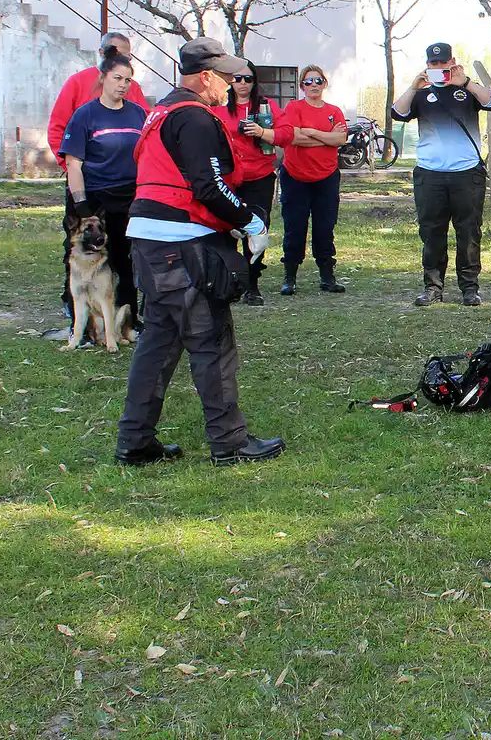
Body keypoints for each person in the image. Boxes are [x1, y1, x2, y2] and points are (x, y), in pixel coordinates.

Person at [119, 37, 282, 466]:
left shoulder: (160, 113)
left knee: (158, 342)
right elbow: (208, 186)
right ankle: (229, 442)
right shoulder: (194, 118)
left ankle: (135, 441)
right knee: (211, 339)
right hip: (181, 245)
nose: (232, 86)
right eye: (227, 78)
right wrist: (250, 220)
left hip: (149, 241)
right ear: (206, 77)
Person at [45, 31, 150, 338]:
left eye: (128, 79)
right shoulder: (84, 110)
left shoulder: (137, 112)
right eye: (118, 77)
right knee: (85, 257)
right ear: (103, 75)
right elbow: (73, 160)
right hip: (93, 196)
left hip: (128, 196)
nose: (123, 84)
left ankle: (128, 322)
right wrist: (81, 202)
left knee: (125, 258)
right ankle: (82, 325)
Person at [390, 42, 491, 306]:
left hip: (466, 174)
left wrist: (466, 82)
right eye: (434, 64)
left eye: (444, 63)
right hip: (430, 174)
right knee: (431, 232)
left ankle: (469, 288)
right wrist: (413, 87)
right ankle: (433, 287)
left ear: (453, 62)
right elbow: (397, 112)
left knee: (469, 232)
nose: (440, 68)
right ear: (427, 65)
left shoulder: (467, 90)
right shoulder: (420, 94)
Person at [247, 66, 345, 296]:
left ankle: (327, 277)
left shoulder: (334, 110)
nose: (313, 84)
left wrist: (312, 133)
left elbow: (340, 138)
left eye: (318, 80)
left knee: (325, 227)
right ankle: (289, 277)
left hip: (327, 177)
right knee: (295, 228)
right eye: (308, 81)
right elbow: (292, 137)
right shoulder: (293, 107)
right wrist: (326, 137)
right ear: (302, 86)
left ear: (324, 83)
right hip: (295, 177)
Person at [218, 63, 285, 305]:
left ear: (254, 81)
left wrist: (262, 132)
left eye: (248, 78)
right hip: (229, 178)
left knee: (256, 227)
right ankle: (227, 281)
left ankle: (252, 285)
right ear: (230, 81)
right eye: (237, 78)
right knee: (227, 229)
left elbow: (287, 134)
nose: (243, 83)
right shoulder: (220, 108)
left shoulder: (267, 106)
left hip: (259, 177)